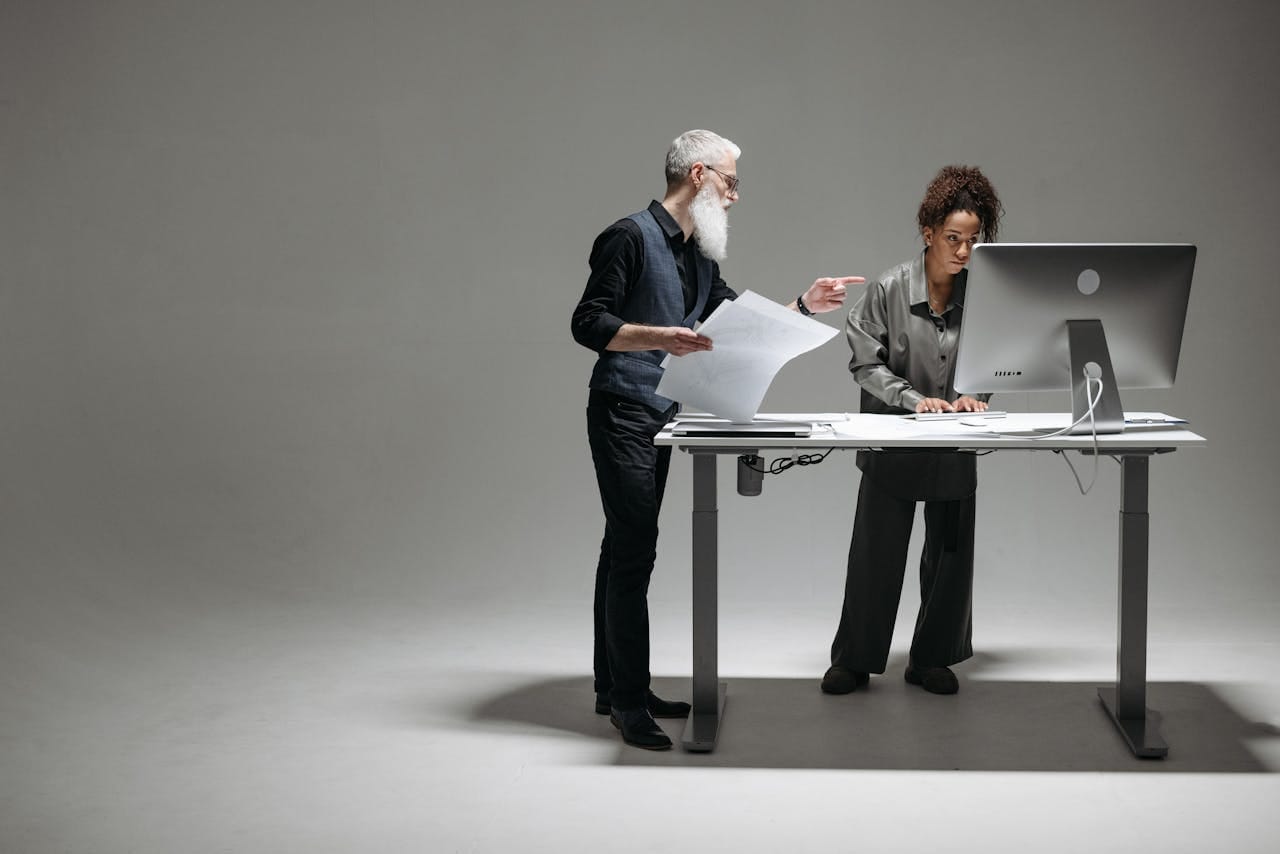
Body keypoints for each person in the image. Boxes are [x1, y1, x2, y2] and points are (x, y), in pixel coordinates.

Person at [572, 130, 861, 749]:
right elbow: (587, 322)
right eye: (730, 181)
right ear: (698, 174)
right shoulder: (627, 236)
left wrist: (804, 305)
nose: (733, 196)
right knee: (634, 551)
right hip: (622, 409)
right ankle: (628, 703)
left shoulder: (699, 254)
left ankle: (613, 684)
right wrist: (658, 335)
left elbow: (735, 323)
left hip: (663, 415)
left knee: (623, 547)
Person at [821, 165, 1003, 698]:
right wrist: (911, 400)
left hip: (955, 441)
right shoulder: (888, 288)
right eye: (953, 239)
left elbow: (999, 359)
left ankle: (931, 659)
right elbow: (864, 363)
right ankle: (854, 660)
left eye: (973, 240)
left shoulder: (985, 293)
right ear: (928, 233)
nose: (964, 251)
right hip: (892, 442)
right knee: (875, 556)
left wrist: (979, 396)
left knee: (950, 558)